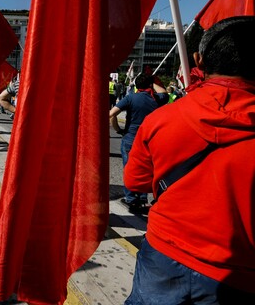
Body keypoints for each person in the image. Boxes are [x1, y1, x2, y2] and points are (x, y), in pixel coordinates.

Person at [124, 16, 255, 303]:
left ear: (198, 59)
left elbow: (136, 180)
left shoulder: (162, 119)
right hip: (238, 275)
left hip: (163, 253)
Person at [109, 73, 168, 212]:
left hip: (131, 138)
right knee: (147, 169)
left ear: (136, 85)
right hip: (150, 139)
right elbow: (164, 92)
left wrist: (119, 130)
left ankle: (131, 199)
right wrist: (152, 82)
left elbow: (112, 114)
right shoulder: (157, 98)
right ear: (149, 85)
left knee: (129, 168)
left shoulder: (130, 98)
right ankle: (142, 198)